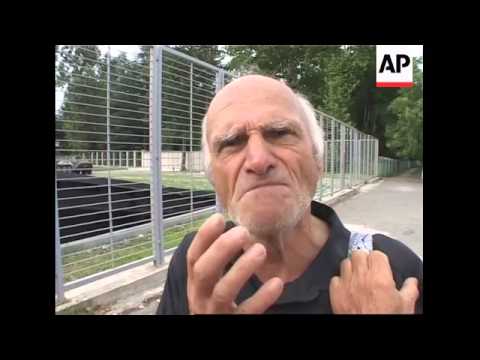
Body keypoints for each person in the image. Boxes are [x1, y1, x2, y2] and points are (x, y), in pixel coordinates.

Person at [157, 75, 423, 314]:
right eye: (231, 143)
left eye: (280, 132)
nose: (258, 160)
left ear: (318, 160)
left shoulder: (393, 270)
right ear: (213, 177)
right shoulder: (198, 264)